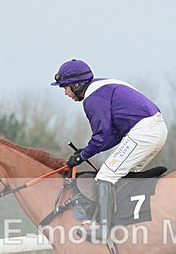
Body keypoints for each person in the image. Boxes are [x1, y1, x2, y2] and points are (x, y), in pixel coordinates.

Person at [51, 59, 168, 242]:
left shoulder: (92, 99)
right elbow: (113, 135)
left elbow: (102, 135)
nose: (65, 93)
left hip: (144, 132)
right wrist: (86, 151)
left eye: (65, 87)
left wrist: (82, 155)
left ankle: (104, 229)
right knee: (122, 177)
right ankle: (130, 222)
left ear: (76, 84)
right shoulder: (103, 86)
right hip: (155, 129)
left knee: (105, 176)